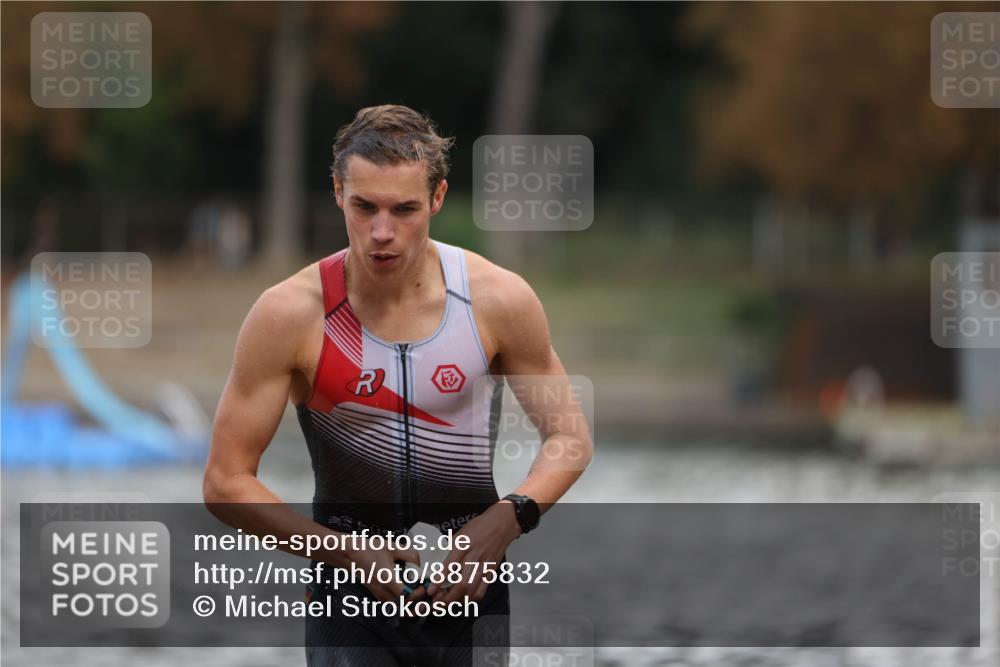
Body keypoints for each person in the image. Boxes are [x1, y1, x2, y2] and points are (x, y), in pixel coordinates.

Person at [203, 104, 593, 666]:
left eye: (404, 209)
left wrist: (506, 520)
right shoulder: (289, 314)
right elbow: (224, 482)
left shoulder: (498, 300)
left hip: (471, 589)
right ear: (337, 191)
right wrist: (349, 555)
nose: (381, 233)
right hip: (348, 595)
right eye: (364, 207)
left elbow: (569, 437)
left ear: (437, 199)